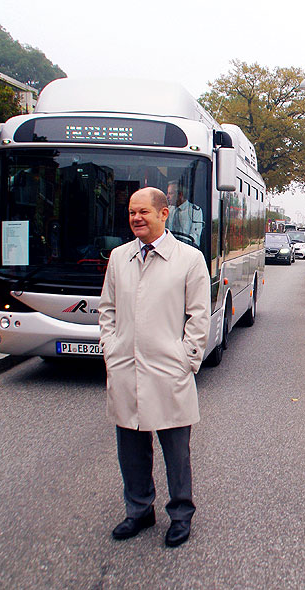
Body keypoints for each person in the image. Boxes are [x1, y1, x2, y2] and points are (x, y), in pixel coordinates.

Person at [98, 187, 210, 548]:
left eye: (143, 212)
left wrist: (185, 360)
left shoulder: (189, 260)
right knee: (130, 449)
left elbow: (198, 317)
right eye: (132, 212)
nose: (136, 218)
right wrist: (111, 349)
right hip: (126, 369)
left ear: (164, 214)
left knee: (176, 453)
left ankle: (180, 515)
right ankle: (139, 510)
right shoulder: (119, 257)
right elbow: (107, 310)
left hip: (168, 371)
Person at [166, 181, 203, 247]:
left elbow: (195, 238)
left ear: (180, 195)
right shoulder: (168, 210)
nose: (167, 197)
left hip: (186, 251)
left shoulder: (195, 211)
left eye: (170, 193)